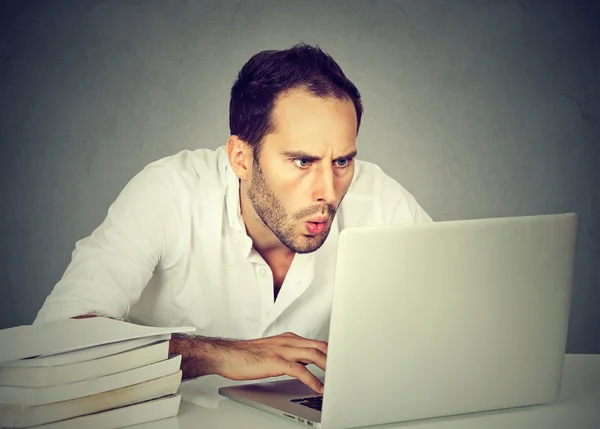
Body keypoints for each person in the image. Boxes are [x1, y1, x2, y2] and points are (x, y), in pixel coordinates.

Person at [34, 43, 432, 393]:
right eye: (302, 161)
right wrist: (217, 355)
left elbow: (463, 322)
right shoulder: (169, 192)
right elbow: (54, 341)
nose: (328, 190)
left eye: (342, 161)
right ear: (241, 158)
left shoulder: (379, 199)